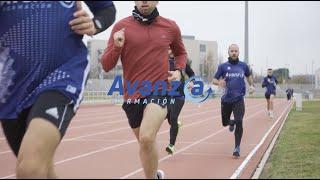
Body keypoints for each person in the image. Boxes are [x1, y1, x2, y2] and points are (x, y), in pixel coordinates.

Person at [0, 1, 116, 178]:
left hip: (62, 73)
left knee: (30, 168)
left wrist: (95, 24)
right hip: (11, 84)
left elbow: (107, 8)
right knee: (41, 170)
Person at [101, 1, 187, 179]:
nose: (144, 1)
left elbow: (180, 53)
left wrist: (178, 70)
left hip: (160, 89)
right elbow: (106, 65)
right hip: (132, 93)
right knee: (145, 143)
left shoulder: (170, 27)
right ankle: (155, 175)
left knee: (147, 137)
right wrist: (117, 47)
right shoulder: (121, 27)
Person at [212, 44, 255, 158]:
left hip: (239, 99)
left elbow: (249, 75)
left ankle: (237, 147)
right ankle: (231, 123)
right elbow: (214, 80)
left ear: (238, 52)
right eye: (232, 51)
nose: (234, 53)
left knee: (239, 121)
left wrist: (251, 85)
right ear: (228, 52)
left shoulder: (243, 66)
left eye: (236, 51)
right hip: (226, 99)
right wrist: (219, 83)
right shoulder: (223, 67)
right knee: (225, 123)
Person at [166, 48, 195, 155]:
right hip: (166, 95)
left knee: (173, 118)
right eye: (169, 48)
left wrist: (191, 82)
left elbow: (191, 74)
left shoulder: (181, 63)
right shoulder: (162, 62)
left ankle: (171, 145)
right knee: (169, 119)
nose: (171, 50)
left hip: (179, 95)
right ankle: (176, 123)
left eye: (173, 47)